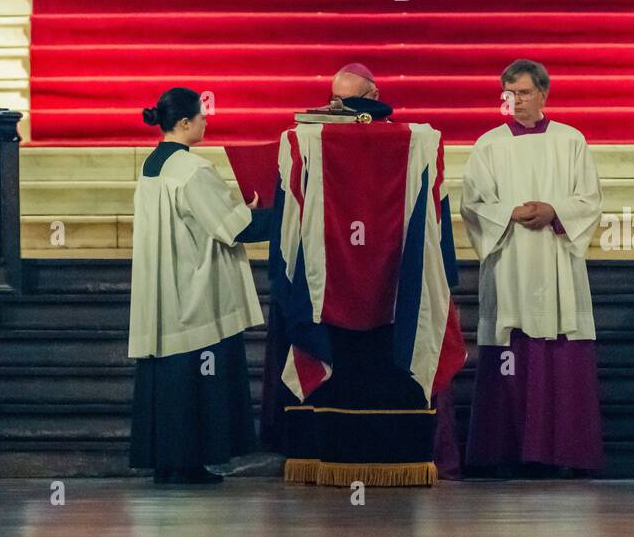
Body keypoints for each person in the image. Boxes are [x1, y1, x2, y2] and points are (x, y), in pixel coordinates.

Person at [268, 67, 465, 486]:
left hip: (329, 299)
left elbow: (288, 231)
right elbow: (437, 221)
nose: (338, 111)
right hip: (397, 300)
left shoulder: (305, 142)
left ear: (371, 97)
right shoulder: (418, 144)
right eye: (334, 102)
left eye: (348, 103)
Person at [461, 59, 604, 478]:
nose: (515, 101)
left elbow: (590, 200)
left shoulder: (570, 140)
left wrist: (554, 209)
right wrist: (513, 212)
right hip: (511, 261)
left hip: (557, 260)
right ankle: (504, 451)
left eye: (523, 92)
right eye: (509, 93)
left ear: (543, 93)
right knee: (511, 343)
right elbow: (474, 204)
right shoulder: (489, 144)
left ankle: (564, 453)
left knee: (559, 347)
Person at [129, 87, 269, 486]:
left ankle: (171, 462)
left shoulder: (154, 166)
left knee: (171, 380)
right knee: (198, 379)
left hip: (164, 290)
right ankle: (190, 461)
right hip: (193, 292)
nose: (207, 122)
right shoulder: (193, 170)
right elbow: (231, 228)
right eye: (202, 117)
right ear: (185, 123)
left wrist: (239, 209)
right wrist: (286, 215)